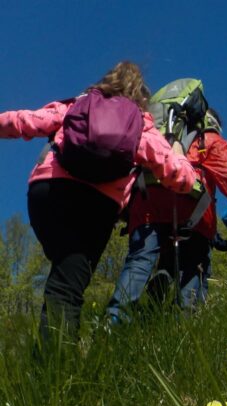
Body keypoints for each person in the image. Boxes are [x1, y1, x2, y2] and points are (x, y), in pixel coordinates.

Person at [0, 61, 197, 340]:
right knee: (67, 287)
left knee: (62, 270)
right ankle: (55, 374)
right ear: (141, 96)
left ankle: (50, 363)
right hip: (96, 206)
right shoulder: (140, 123)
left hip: (48, 192)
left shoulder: (78, 106)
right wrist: (181, 154)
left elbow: (25, 121)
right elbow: (180, 177)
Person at [106, 106, 227, 323]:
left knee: (139, 263)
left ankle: (113, 324)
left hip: (147, 204)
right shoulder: (209, 140)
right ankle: (184, 331)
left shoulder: (156, 133)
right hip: (192, 213)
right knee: (193, 271)